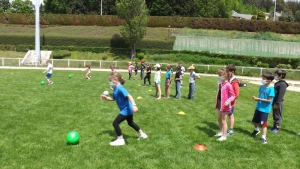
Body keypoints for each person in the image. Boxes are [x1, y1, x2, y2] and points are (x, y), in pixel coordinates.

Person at [100, 72, 148, 146]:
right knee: (130, 123)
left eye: (110, 80)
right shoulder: (116, 88)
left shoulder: (120, 88)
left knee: (115, 123)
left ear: (115, 79)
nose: (110, 82)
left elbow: (129, 96)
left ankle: (120, 140)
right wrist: (105, 98)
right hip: (127, 109)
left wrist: (134, 105)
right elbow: (113, 98)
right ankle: (142, 134)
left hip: (126, 109)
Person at [251, 72, 275, 144]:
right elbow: (260, 96)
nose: (262, 80)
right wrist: (256, 98)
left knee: (263, 123)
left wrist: (259, 99)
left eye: (264, 79)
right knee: (255, 121)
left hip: (264, 110)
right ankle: (256, 130)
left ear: (269, 80)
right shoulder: (261, 87)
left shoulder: (271, 89)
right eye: (262, 78)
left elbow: (269, 100)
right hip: (258, 107)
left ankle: (263, 138)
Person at [214, 68, 236, 141]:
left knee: (224, 121)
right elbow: (219, 94)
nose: (219, 76)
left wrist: (228, 101)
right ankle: (221, 132)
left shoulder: (228, 85)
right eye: (219, 75)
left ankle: (224, 136)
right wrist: (217, 103)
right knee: (219, 119)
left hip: (225, 105)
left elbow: (233, 96)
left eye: (221, 75)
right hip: (220, 103)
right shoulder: (221, 84)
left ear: (226, 75)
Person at [226, 64, 240, 136]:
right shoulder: (228, 79)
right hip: (226, 102)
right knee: (226, 115)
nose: (227, 73)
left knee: (230, 115)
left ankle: (231, 130)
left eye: (228, 71)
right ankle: (225, 128)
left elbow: (236, 94)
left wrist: (229, 101)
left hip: (230, 103)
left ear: (232, 71)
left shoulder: (235, 82)